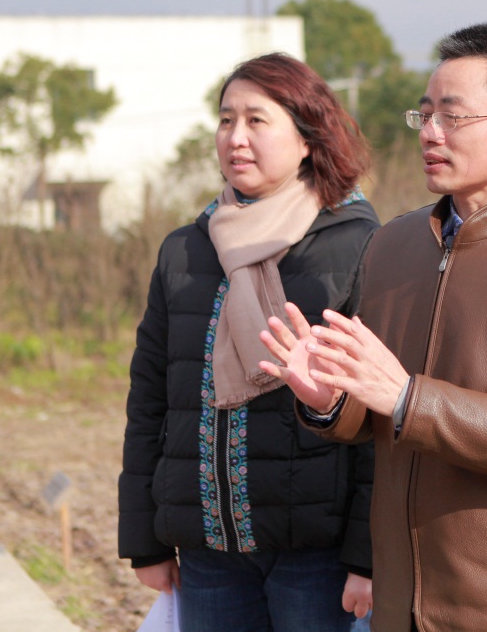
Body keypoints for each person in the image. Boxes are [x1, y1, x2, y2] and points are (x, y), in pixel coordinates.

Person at [261, 23, 487, 632]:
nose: (430, 132)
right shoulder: (392, 245)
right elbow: (377, 410)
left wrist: (409, 398)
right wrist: (331, 402)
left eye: (452, 116)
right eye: (424, 114)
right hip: (402, 596)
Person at [119, 53, 380, 632]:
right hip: (209, 551)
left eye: (257, 120)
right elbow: (150, 400)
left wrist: (366, 555)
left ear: (308, 138)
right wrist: (144, 539)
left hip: (316, 555)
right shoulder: (186, 249)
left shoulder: (359, 246)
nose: (235, 137)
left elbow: (378, 420)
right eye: (225, 120)